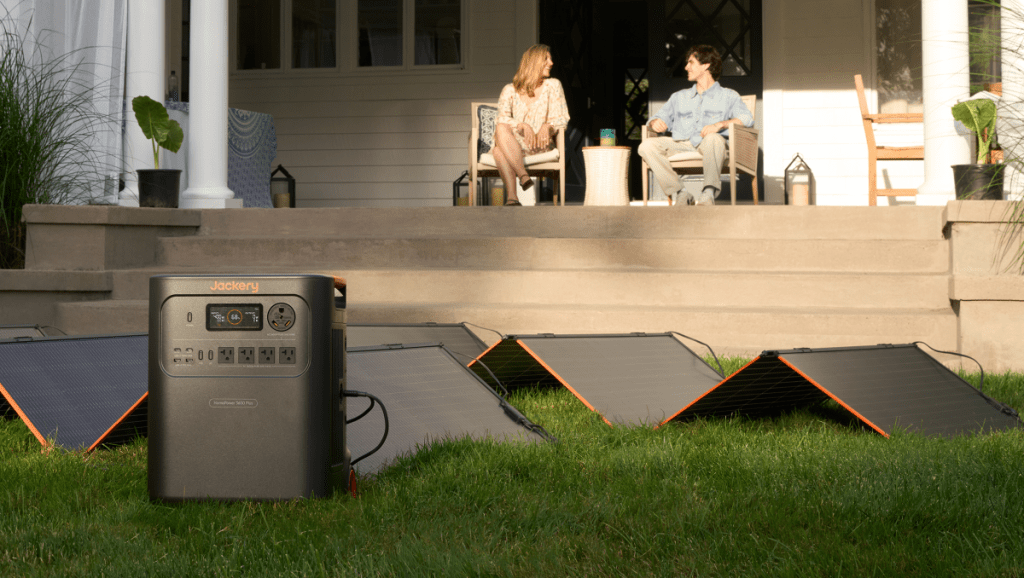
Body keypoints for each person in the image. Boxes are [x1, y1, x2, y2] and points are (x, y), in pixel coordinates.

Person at [638, 45, 753, 206]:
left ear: (706, 65)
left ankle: (708, 193)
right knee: (646, 146)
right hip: (680, 144)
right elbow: (657, 117)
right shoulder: (679, 97)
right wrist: (655, 122)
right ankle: (681, 192)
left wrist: (720, 124)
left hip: (710, 144)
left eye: (691, 62)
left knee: (713, 138)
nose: (686, 67)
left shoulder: (728, 96)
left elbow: (747, 118)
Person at [492, 44, 570, 206]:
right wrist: (521, 125)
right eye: (546, 59)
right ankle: (519, 185)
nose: (551, 63)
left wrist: (547, 126)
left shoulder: (553, 86)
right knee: (500, 132)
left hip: (539, 145)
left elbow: (562, 118)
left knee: (498, 150)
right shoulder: (509, 90)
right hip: (515, 147)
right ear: (533, 62)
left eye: (550, 59)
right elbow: (502, 119)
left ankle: (516, 189)